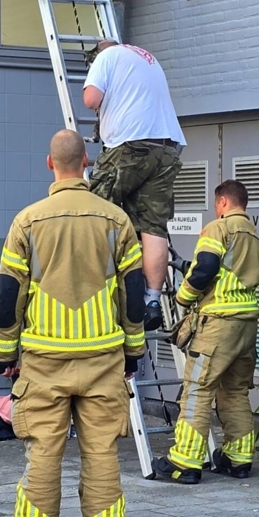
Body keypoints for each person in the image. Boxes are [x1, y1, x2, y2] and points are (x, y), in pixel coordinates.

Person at [0, 129, 146, 517]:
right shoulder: (116, 220)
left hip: (43, 360)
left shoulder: (27, 220)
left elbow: (7, 295)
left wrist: (4, 353)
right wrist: (133, 350)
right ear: (88, 162)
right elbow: (132, 294)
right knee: (101, 453)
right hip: (102, 358)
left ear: (50, 163)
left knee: (43, 452)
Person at [152, 180, 259, 484]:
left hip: (217, 324)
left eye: (217, 204)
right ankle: (238, 459)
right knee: (235, 391)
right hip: (247, 324)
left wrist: (182, 297)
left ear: (223, 202)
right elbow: (228, 271)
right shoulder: (253, 234)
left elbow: (207, 269)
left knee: (197, 390)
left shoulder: (217, 228)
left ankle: (184, 462)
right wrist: (185, 265)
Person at [83, 40, 186, 331]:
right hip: (166, 148)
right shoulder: (147, 58)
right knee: (153, 227)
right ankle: (152, 299)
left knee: (93, 212)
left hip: (129, 146)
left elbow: (91, 98)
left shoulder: (107, 57)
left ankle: (95, 287)